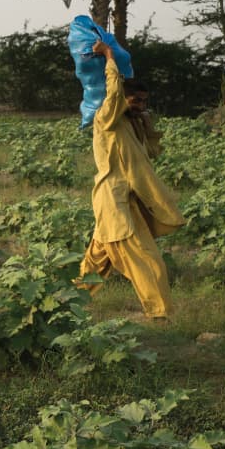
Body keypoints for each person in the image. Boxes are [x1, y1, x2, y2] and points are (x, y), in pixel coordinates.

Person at [79, 40, 184, 320]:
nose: (140, 105)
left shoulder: (131, 124)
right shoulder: (107, 119)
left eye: (144, 101)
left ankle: (66, 304)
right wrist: (110, 57)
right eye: (135, 100)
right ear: (122, 99)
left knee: (94, 264)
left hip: (125, 203)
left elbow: (151, 152)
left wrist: (146, 123)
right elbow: (113, 94)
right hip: (115, 203)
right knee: (148, 261)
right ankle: (160, 316)